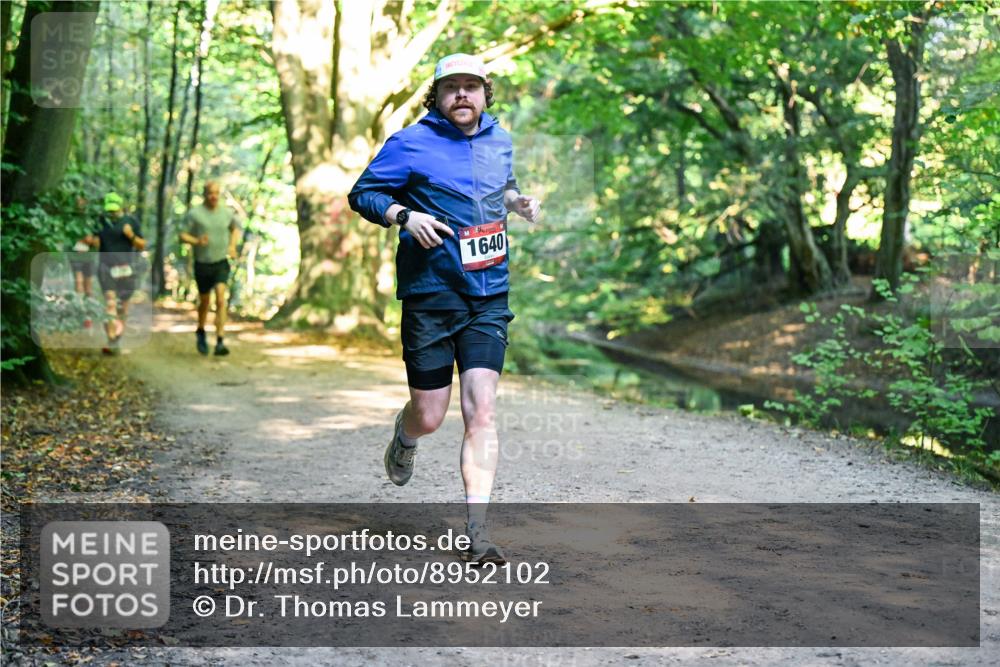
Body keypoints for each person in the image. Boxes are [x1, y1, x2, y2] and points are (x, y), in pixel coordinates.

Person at [348, 53, 541, 564]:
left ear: (485, 93)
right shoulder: (410, 142)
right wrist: (403, 215)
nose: (462, 95)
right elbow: (362, 193)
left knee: (482, 411)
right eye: (451, 87)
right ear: (435, 96)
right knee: (431, 416)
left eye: (471, 86)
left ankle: (478, 533)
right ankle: (406, 433)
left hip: (489, 294)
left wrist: (518, 202)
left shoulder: (500, 140)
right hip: (431, 294)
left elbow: (502, 187)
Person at [179, 181, 241, 356]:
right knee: (205, 301)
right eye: (210, 193)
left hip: (221, 262)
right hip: (202, 263)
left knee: (221, 299)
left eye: (216, 193)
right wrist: (196, 241)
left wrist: (232, 246)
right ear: (204, 194)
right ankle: (200, 330)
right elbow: (182, 235)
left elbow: (235, 229)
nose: (214, 196)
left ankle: (220, 341)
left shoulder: (226, 213)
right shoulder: (195, 214)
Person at [93, 192, 145, 355]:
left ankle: (117, 338)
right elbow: (95, 244)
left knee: (123, 307)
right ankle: (111, 339)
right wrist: (92, 240)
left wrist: (131, 235)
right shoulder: (101, 222)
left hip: (126, 269)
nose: (112, 213)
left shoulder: (131, 222)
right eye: (109, 210)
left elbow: (142, 245)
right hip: (106, 268)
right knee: (110, 303)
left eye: (114, 210)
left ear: (121, 207)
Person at [67, 195, 98, 329]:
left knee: (88, 287)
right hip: (75, 256)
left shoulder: (92, 220)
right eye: (78, 201)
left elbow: (96, 240)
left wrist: (90, 240)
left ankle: (89, 314)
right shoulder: (70, 218)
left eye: (83, 200)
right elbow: (67, 237)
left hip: (89, 257)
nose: (80, 203)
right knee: (78, 283)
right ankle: (80, 313)